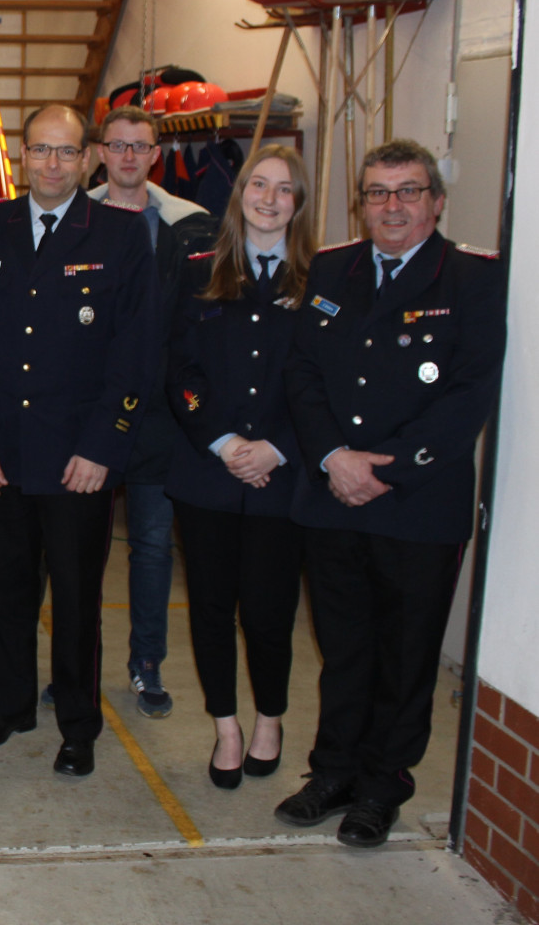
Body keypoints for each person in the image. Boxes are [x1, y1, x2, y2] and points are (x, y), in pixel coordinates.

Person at [276, 139, 506, 847]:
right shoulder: (331, 269)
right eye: (378, 193)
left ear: (436, 202)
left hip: (418, 504)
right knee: (343, 648)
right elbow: (303, 374)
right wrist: (334, 458)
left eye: (408, 192)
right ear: (362, 204)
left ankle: (382, 786)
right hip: (332, 494)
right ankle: (334, 770)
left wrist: (388, 467)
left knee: (406, 658)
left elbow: (471, 392)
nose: (393, 207)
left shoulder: (471, 279)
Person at [0, 104, 156, 777]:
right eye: (40, 151)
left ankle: (78, 724)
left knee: (75, 603)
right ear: (20, 156)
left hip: (78, 461)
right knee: (2, 593)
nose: (51, 164)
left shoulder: (123, 236)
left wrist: (104, 447)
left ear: (89, 158)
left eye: (66, 153)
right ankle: (8, 708)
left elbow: (135, 354)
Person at [165, 145, 315, 790]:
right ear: (240, 194)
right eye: (259, 184)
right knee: (210, 609)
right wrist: (225, 442)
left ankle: (269, 720)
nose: (269, 198)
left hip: (283, 479)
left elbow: (324, 383)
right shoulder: (199, 271)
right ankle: (226, 725)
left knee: (269, 612)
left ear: (299, 205)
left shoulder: (322, 281)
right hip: (209, 476)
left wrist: (275, 447)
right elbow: (181, 372)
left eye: (284, 190)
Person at [87, 105, 218, 719]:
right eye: (118, 146)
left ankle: (147, 666)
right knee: (79, 550)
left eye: (141, 146)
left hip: (162, 419)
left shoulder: (191, 226)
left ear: (156, 154)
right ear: (101, 153)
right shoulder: (74, 220)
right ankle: (73, 671)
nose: (129, 157)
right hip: (88, 419)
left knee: (153, 548)